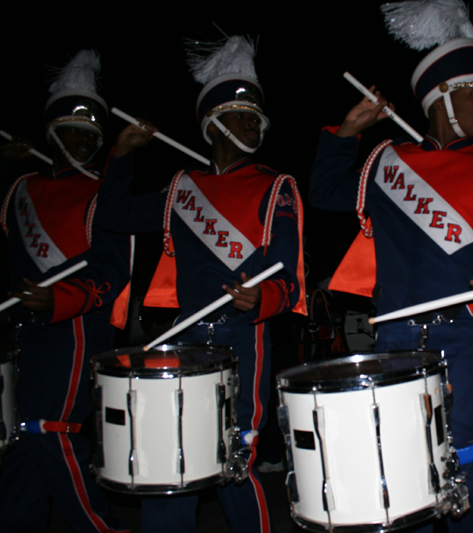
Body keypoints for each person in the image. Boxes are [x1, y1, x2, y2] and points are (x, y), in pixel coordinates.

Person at [310, 25, 473, 532]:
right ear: (442, 97)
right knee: (402, 480)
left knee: (460, 474)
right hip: (393, 341)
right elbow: (326, 192)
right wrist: (349, 131)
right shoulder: (387, 161)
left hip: (463, 339)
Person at [95, 36, 305, 533]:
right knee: (174, 464)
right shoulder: (180, 187)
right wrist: (121, 154)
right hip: (183, 343)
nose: (252, 123)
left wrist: (261, 298)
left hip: (241, 341)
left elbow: (290, 282)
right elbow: (112, 215)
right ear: (212, 124)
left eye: (256, 116)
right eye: (240, 115)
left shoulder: (276, 187)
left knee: (235, 464)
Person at [0, 50, 131, 532]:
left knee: (53, 431)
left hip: (76, 330)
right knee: (26, 438)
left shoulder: (101, 193)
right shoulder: (18, 188)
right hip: (26, 334)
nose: (80, 141)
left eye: (89, 135)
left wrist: (63, 299)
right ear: (50, 133)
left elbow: (115, 271)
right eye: (70, 131)